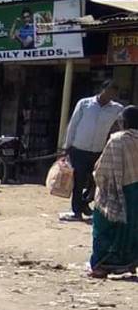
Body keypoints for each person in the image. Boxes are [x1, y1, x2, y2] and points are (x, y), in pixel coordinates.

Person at [60, 81, 125, 222]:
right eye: (108, 91)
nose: (110, 95)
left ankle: (85, 202)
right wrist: (67, 145)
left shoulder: (117, 109)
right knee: (79, 181)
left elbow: (120, 126)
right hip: (79, 148)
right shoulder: (85, 104)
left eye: (113, 93)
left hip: (99, 151)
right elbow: (73, 124)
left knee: (96, 181)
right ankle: (76, 211)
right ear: (102, 89)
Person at [89, 106, 138, 277]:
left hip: (118, 189)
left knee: (104, 223)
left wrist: (94, 183)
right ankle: (129, 261)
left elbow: (103, 170)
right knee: (132, 228)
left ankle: (101, 265)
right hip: (135, 190)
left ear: (124, 122)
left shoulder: (118, 140)